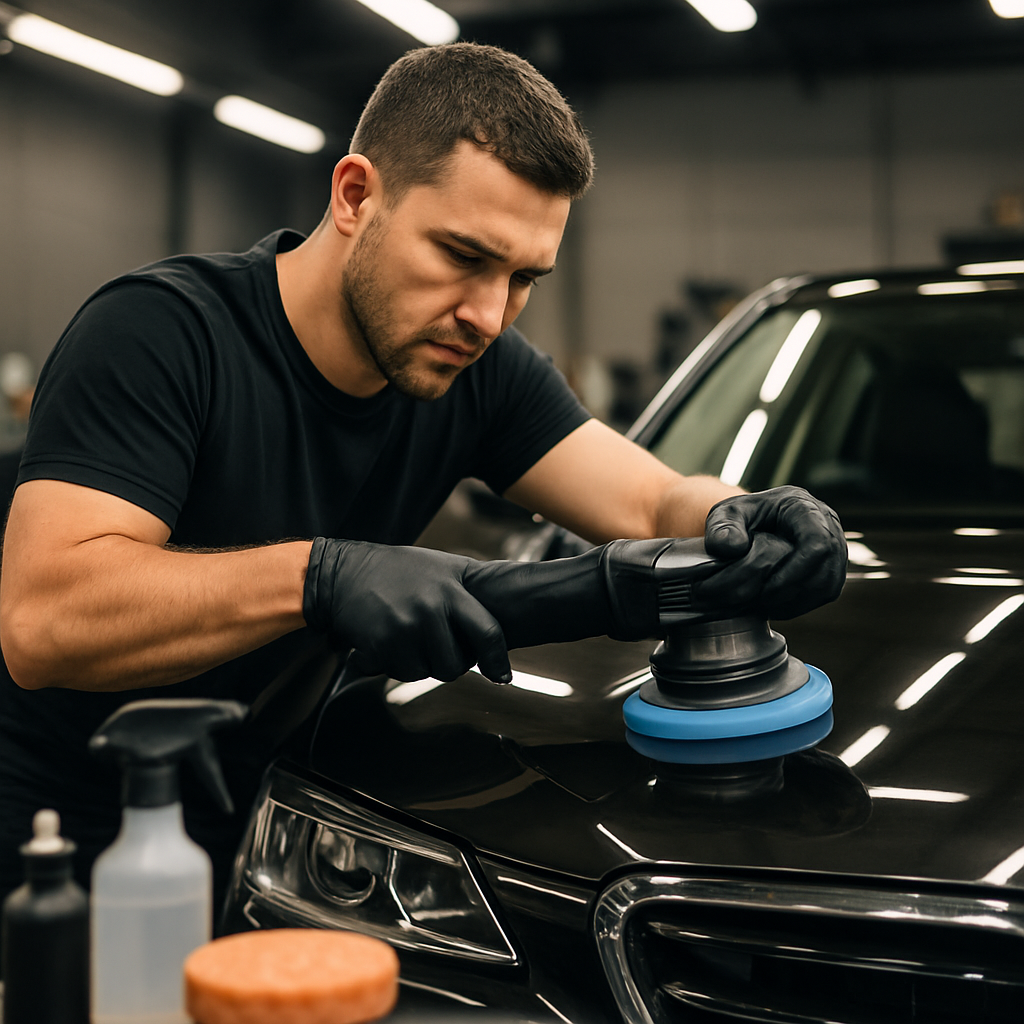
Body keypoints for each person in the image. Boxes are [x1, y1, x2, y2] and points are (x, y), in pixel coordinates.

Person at [0, 43, 845, 914]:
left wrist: (743, 516)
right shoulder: (162, 334)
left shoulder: (477, 367)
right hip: (70, 834)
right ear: (355, 196)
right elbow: (42, 619)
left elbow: (648, 499)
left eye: (523, 278)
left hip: (272, 803)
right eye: (462, 255)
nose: (488, 315)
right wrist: (320, 576)